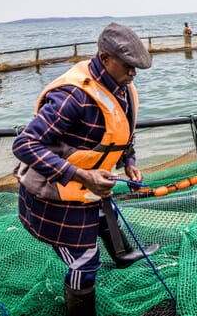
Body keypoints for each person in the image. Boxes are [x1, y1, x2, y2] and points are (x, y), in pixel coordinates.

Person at [12, 23, 158, 315]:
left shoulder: (123, 88)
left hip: (91, 186)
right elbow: (24, 145)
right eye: (128, 66)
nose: (134, 73)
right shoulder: (72, 97)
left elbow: (121, 134)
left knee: (108, 216)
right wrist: (82, 175)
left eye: (137, 67)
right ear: (105, 58)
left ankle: (122, 255)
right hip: (54, 193)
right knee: (84, 261)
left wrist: (129, 162)